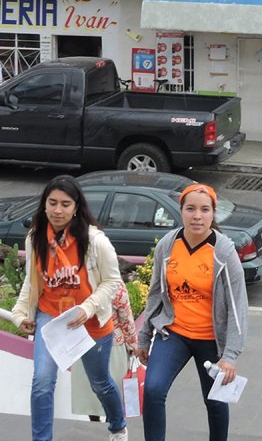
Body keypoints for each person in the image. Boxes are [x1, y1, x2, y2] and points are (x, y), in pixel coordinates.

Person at [12, 175, 128, 441]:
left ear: (76, 207)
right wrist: (20, 314)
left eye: (65, 204)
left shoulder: (95, 241)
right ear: (44, 205)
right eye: (52, 203)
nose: (57, 210)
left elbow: (113, 282)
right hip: (51, 317)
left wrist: (88, 308)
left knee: (99, 383)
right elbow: (32, 281)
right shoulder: (35, 237)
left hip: (90, 322)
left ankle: (118, 426)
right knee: (42, 382)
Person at [137, 183, 247, 441]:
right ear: (181, 211)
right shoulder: (168, 245)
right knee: (153, 389)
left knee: (215, 401)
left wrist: (230, 356)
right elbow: (155, 294)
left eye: (204, 210)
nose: (197, 216)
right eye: (191, 209)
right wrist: (143, 337)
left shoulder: (223, 251)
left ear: (213, 213)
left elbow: (237, 305)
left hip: (211, 339)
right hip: (174, 333)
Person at [71, 285, 137, 421]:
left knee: (89, 393)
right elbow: (126, 319)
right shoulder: (116, 286)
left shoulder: (78, 284)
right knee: (112, 391)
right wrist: (132, 345)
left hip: (84, 342)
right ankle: (113, 424)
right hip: (112, 344)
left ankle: (94, 422)